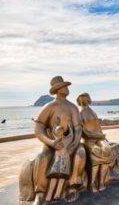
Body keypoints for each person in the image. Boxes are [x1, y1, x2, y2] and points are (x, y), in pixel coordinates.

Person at [32, 76, 86, 205]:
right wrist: (51, 142)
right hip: (53, 142)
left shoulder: (72, 107)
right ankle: (40, 193)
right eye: (64, 86)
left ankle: (73, 186)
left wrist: (74, 143)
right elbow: (39, 128)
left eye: (67, 86)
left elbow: (78, 128)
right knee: (42, 156)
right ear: (57, 89)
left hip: (70, 142)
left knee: (81, 153)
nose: (67, 89)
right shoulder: (49, 106)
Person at [77, 93, 114, 192]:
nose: (84, 100)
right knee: (96, 154)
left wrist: (102, 137)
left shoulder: (92, 112)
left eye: (85, 98)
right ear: (79, 101)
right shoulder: (79, 113)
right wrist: (94, 136)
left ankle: (101, 182)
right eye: (82, 99)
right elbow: (82, 131)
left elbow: (98, 127)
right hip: (88, 140)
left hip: (99, 138)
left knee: (107, 151)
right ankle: (91, 183)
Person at [45, 117, 73, 201]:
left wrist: (70, 125)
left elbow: (71, 134)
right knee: (54, 176)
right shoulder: (55, 139)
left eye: (60, 132)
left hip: (65, 160)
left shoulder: (67, 139)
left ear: (63, 132)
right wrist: (56, 123)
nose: (59, 134)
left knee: (62, 177)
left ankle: (57, 193)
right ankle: (49, 194)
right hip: (57, 160)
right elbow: (52, 132)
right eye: (58, 132)